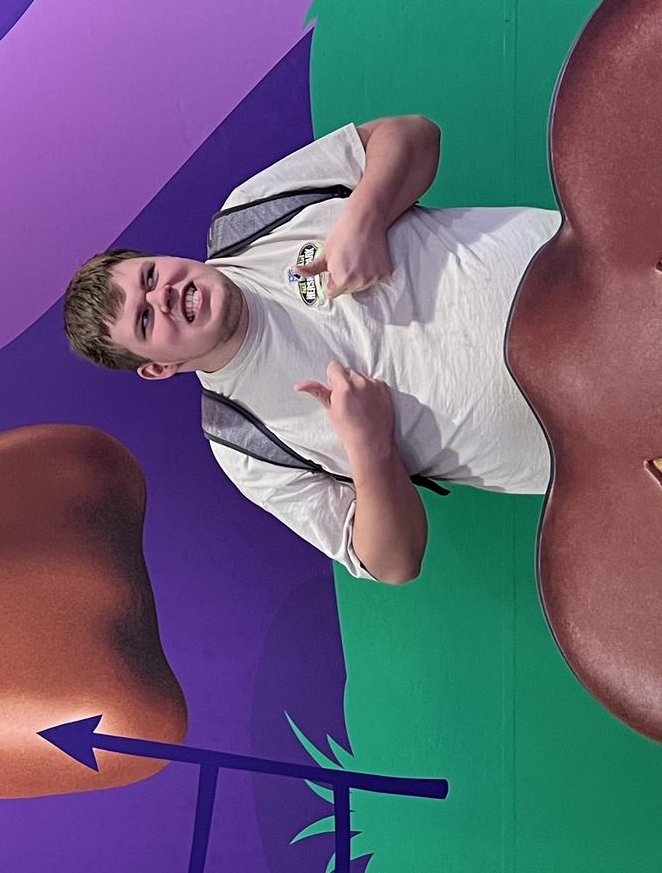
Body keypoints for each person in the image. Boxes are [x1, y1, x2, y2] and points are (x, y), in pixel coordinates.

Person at [60, 116, 558, 585]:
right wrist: (370, 447)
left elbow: (416, 134)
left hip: (582, 270)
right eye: (145, 320)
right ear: (159, 368)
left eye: (150, 277)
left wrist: (367, 214)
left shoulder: (250, 213)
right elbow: (393, 562)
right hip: (583, 436)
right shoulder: (243, 444)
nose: (163, 296)